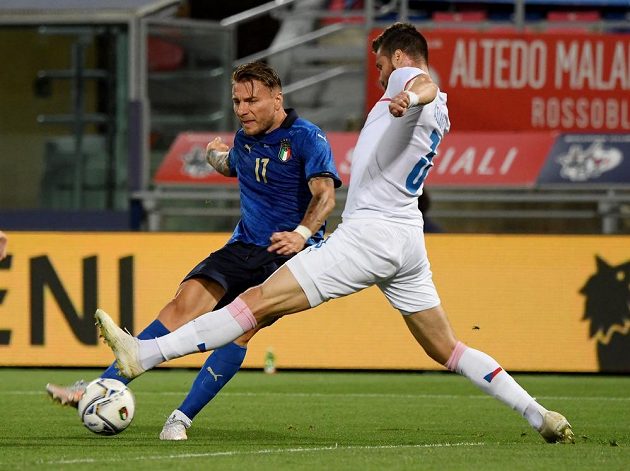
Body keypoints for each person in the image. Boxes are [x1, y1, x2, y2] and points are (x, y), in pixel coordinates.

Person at [96, 23, 574, 444]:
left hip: (369, 235)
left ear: (401, 57)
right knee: (447, 348)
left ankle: (144, 353)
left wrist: (409, 94)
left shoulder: (412, 83)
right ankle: (540, 415)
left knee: (254, 304)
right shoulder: (444, 112)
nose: (382, 75)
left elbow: (422, 83)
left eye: (384, 64)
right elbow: (429, 96)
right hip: (407, 238)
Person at [46, 61, 341, 441]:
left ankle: (181, 418)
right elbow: (231, 165)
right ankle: (96, 389)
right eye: (236, 101)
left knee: (238, 330)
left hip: (289, 255)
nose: (242, 109)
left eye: (251, 100)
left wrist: (301, 234)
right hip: (243, 246)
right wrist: (213, 155)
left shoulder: (307, 138)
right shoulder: (245, 137)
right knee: (181, 306)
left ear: (277, 98)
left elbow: (325, 196)